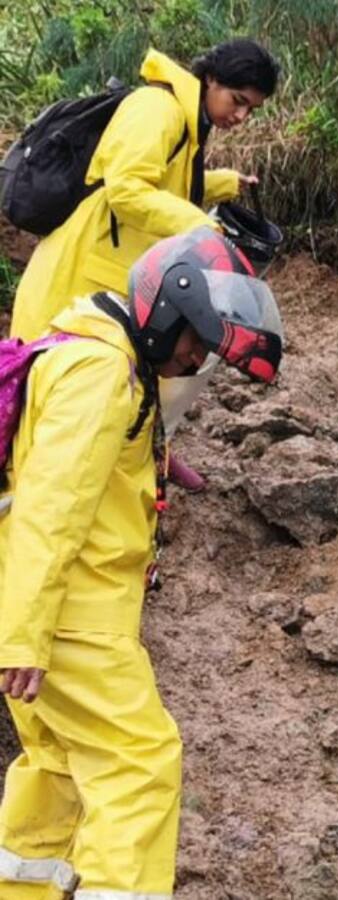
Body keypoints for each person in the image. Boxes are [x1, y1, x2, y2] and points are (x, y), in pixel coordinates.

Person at [0, 228, 284, 899]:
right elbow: (52, 505)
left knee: (59, 766)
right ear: (164, 307)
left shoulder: (97, 355)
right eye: (194, 341)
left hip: (57, 611)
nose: (192, 360)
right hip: (73, 622)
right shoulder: (103, 374)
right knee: (140, 765)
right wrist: (27, 633)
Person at [8, 38, 280, 492]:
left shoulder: (188, 123)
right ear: (211, 78)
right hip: (76, 273)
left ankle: (147, 451)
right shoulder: (157, 109)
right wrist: (200, 226)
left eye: (251, 109)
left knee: (133, 377)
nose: (241, 116)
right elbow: (126, 190)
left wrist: (222, 184)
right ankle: (28, 494)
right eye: (238, 101)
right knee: (50, 390)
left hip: (112, 268)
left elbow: (166, 186)